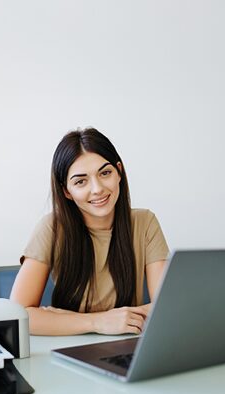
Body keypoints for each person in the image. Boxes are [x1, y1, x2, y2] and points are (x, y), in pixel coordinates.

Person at [10, 127, 169, 336]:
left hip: (127, 344)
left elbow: (165, 308)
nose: (97, 189)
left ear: (119, 172)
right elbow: (18, 315)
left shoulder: (145, 222)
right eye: (80, 181)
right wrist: (98, 322)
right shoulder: (52, 228)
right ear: (66, 191)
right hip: (67, 348)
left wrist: (122, 320)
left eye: (105, 173)